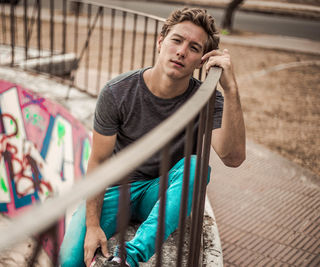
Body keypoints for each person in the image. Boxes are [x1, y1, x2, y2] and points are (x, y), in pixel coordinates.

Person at [60, 7, 245, 267]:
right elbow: (99, 162)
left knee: (196, 166)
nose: (181, 51)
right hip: (117, 190)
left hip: (160, 193)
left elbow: (233, 157)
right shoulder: (117, 92)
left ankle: (128, 257)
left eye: (194, 48)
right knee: (69, 260)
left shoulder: (206, 99)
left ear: (202, 59)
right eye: (176, 40)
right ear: (161, 42)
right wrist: (92, 225)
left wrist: (231, 89)